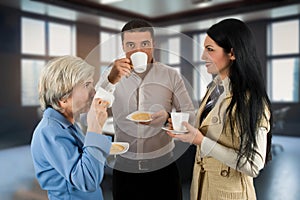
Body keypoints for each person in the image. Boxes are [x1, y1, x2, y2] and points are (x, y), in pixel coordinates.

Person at [167, 18, 273, 200]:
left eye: (210, 50)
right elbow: (213, 127)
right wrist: (177, 123)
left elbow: (253, 165)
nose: (202, 57)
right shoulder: (214, 88)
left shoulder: (250, 99)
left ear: (232, 53)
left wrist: (200, 141)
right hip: (202, 188)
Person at [96, 18, 195, 200]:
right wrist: (110, 80)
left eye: (145, 44)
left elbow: (190, 116)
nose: (138, 50)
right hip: (125, 169)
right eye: (131, 44)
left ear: (154, 44)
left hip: (164, 169)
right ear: (123, 47)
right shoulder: (111, 75)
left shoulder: (170, 75)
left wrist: (167, 118)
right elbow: (93, 109)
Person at [31, 55, 112, 200]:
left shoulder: (68, 122)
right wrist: (95, 128)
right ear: (62, 98)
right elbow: (87, 181)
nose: (93, 92)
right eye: (86, 85)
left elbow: (86, 159)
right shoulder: (49, 132)